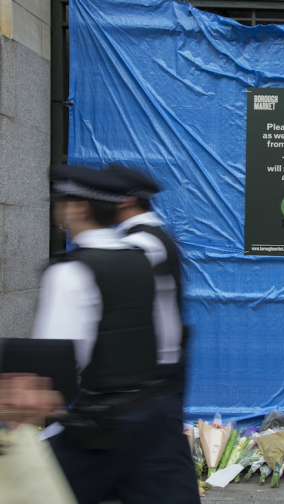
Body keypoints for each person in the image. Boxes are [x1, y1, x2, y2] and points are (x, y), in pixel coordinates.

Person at [34, 165, 200, 504]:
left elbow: (56, 368)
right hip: (153, 414)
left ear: (78, 208)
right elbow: (165, 337)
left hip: (102, 424)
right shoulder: (141, 256)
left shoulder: (73, 271)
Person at [109, 165, 187, 405]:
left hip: (147, 375)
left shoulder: (141, 243)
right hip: (152, 371)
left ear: (126, 199)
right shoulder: (148, 237)